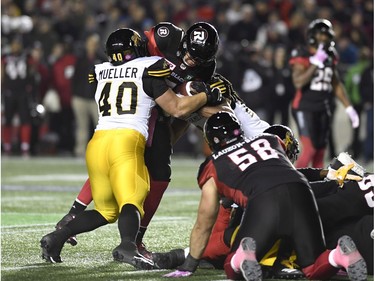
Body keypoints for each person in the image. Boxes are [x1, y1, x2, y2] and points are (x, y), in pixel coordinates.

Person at [54, 22, 270, 253]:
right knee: (137, 164)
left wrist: (170, 139)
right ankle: (125, 236)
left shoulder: (204, 71)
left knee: (138, 166)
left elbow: (182, 114)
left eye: (200, 58)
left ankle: (84, 220)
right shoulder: (165, 37)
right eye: (189, 53)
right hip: (141, 104)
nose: (192, 60)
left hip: (161, 111)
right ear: (182, 42)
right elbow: (132, 51)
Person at [39, 28, 223, 268]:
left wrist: (168, 139)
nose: (192, 60)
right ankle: (129, 245)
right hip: (129, 138)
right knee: (132, 199)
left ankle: (63, 230)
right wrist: (206, 96)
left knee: (107, 210)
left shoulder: (100, 70)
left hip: (98, 141)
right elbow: (177, 109)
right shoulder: (152, 65)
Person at [163, 111, 367, 281]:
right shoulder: (270, 140)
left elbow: (204, 222)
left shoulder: (213, 165)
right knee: (313, 267)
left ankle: (242, 257)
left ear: (211, 141)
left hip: (263, 199)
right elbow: (285, 173)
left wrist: (189, 266)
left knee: (230, 265)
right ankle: (337, 256)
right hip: (302, 191)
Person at [289, 18, 359, 168]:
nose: (323, 39)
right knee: (310, 149)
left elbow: (336, 83)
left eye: (326, 36)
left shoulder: (331, 55)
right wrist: (315, 63)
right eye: (320, 35)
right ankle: (295, 183)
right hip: (304, 107)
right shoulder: (302, 53)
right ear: (312, 35)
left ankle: (317, 187)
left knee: (320, 151)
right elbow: (298, 82)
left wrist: (349, 108)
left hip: (323, 107)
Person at [1, 37, 37, 156]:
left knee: (25, 119)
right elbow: (1, 73)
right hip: (9, 91)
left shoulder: (27, 57)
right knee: (8, 120)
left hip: (23, 92)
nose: (15, 47)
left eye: (17, 44)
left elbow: (32, 71)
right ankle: (7, 146)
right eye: (14, 44)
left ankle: (25, 146)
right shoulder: (5, 57)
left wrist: (31, 87)